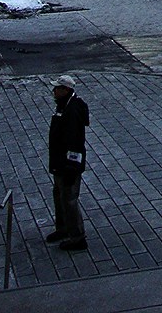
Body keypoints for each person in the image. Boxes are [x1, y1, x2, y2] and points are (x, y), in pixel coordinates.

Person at [46, 74, 89, 250]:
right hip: (59, 161)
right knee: (59, 194)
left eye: (57, 88)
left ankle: (77, 237)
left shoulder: (71, 111)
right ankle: (63, 228)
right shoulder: (64, 106)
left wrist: (72, 167)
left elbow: (75, 142)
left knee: (69, 198)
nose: (53, 90)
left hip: (66, 165)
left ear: (65, 90)